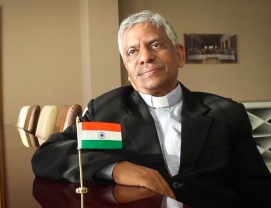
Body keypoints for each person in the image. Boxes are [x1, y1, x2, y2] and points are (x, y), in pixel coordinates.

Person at [32, 10, 271, 207]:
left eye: (155, 45)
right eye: (132, 51)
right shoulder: (105, 109)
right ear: (127, 67)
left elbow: (259, 191)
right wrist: (115, 169)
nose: (145, 57)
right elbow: (47, 155)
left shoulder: (226, 113)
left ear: (179, 54)